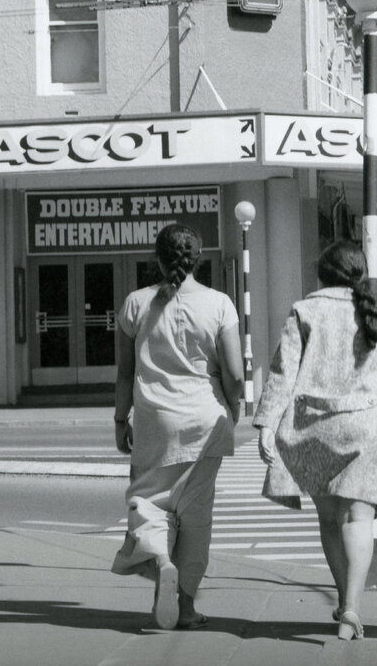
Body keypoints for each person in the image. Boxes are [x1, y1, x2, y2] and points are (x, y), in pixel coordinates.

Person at [253, 240, 377, 640]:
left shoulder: (304, 311)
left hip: (315, 426)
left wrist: (266, 424)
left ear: (321, 276)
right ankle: (352, 610)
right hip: (366, 425)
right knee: (359, 518)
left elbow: (281, 373)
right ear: (358, 274)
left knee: (329, 519)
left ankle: (344, 600)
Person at [111, 223, 244, 630]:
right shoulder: (220, 304)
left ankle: (162, 559)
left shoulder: (135, 304)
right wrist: (233, 409)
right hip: (207, 419)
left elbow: (123, 374)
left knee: (150, 503)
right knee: (196, 516)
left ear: (158, 258)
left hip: (154, 422)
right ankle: (185, 608)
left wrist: (120, 420)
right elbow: (236, 374)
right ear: (198, 256)